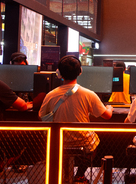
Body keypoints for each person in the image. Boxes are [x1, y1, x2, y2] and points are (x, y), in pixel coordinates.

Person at [39, 55, 113, 183]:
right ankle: (79, 175)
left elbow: (41, 116)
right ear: (80, 72)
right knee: (95, 140)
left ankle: (61, 175)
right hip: (82, 141)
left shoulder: (50, 95)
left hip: (58, 140)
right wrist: (110, 108)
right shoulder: (88, 94)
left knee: (61, 147)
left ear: (59, 73)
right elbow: (106, 116)